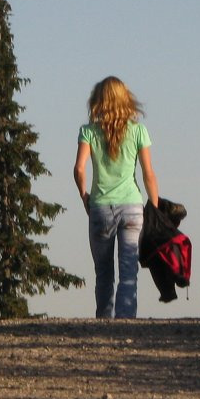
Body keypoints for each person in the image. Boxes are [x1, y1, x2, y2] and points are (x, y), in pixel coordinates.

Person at [73, 76, 159, 319]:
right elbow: (148, 174)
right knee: (128, 271)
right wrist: (154, 206)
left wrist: (83, 196)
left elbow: (79, 169)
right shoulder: (139, 131)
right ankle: (126, 323)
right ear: (126, 99)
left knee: (104, 273)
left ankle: (104, 321)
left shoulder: (88, 132)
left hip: (100, 206)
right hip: (132, 206)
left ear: (98, 100)